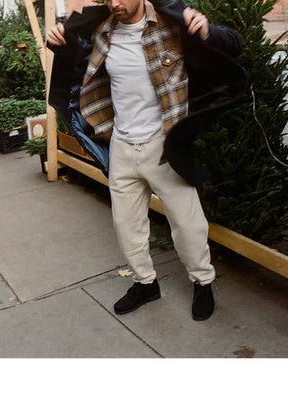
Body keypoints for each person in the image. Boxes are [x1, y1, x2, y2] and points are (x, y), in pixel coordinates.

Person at [46, 0, 246, 321]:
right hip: (121, 144)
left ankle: (203, 282)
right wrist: (57, 40)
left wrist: (208, 30)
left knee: (187, 224)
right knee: (126, 226)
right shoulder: (97, 30)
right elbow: (71, 61)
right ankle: (145, 283)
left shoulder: (174, 25)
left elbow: (233, 45)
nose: (115, 3)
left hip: (164, 147)